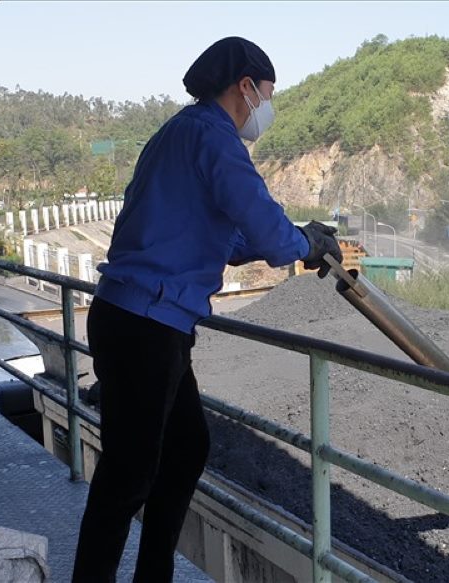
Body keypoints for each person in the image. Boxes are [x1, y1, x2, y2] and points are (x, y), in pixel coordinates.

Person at [72, 37, 342, 582]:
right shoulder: (216, 141)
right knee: (127, 476)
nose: (268, 106)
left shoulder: (177, 132)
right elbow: (265, 227)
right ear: (246, 87)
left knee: (186, 449)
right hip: (147, 325)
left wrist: (294, 240)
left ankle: (154, 575)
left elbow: (225, 237)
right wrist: (306, 241)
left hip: (138, 320)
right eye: (268, 94)